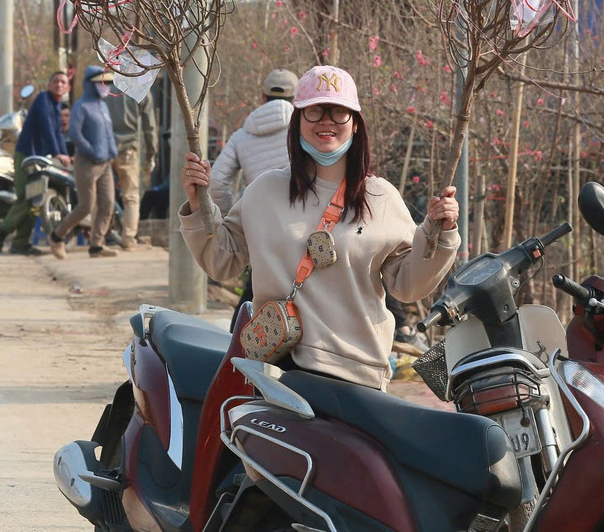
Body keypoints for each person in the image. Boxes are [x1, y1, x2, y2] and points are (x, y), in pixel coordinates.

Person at [179, 65, 460, 390]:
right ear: (296, 122)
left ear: (355, 124)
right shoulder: (264, 190)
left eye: (339, 112)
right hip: (278, 372)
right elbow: (221, 260)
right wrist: (198, 204)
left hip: (358, 375)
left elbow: (408, 285)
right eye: (314, 111)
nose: (326, 120)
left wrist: (439, 233)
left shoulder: (380, 197)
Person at [0, 72, 72, 256]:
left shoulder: (57, 106)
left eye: (63, 82)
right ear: (49, 85)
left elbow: (58, 133)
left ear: (67, 88)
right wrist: (58, 152)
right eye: (56, 81)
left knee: (36, 201)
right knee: (25, 199)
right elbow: (46, 128)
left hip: (40, 159)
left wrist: (64, 156)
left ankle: (20, 243)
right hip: (26, 155)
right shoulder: (43, 99)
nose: (59, 85)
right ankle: (1, 230)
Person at [48, 66, 120, 259]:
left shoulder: (103, 106)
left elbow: (108, 132)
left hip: (105, 163)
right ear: (91, 84)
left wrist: (112, 151)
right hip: (86, 163)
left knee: (107, 204)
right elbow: (75, 134)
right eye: (102, 83)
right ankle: (57, 236)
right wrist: (91, 150)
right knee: (86, 206)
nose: (106, 87)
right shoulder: (81, 106)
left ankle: (96, 244)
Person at [209, 68, 298, 214]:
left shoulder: (240, 136)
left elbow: (217, 182)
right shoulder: (306, 131)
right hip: (300, 220)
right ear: (297, 98)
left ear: (263, 97)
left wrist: (232, 217)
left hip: (257, 223)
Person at [104, 85, 159, 249]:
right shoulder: (139, 89)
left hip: (104, 148)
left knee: (102, 193)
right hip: (127, 150)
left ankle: (100, 236)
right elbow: (149, 126)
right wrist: (151, 154)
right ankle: (128, 238)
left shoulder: (105, 84)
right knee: (131, 196)